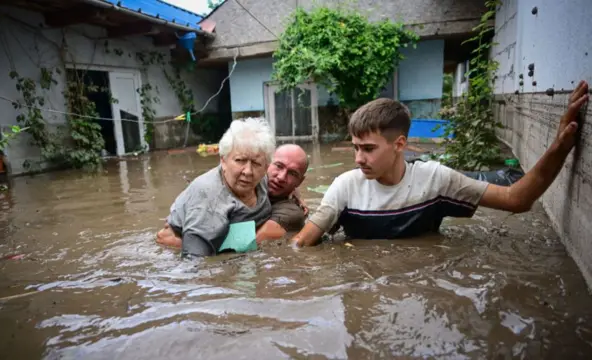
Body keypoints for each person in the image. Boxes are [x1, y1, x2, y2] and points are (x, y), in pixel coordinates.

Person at [291, 80, 589, 247]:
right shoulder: (345, 187)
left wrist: (559, 147)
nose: (358, 159)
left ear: (400, 145)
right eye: (355, 148)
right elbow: (300, 245)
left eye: (368, 149)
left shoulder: (436, 179)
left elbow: (517, 199)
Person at [157, 144, 310, 248]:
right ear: (266, 163)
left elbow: (247, 244)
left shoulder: (291, 214)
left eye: (292, 174)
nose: (282, 177)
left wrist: (177, 243)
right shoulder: (252, 176)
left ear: (300, 181)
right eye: (278, 166)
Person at [165, 117, 276, 257]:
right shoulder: (208, 194)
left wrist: (295, 195)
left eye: (256, 163)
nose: (248, 171)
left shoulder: (264, 180)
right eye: (240, 160)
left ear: (266, 167)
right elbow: (194, 260)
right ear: (223, 161)